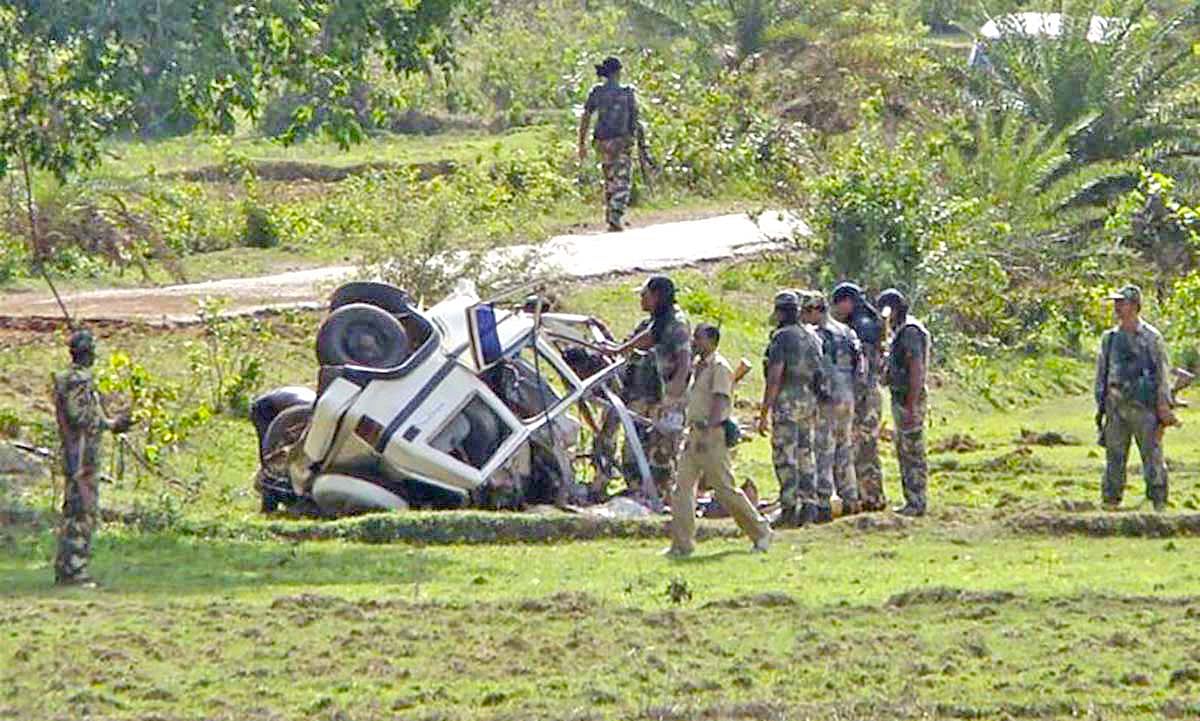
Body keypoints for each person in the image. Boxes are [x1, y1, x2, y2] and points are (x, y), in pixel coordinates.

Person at [667, 324, 772, 556]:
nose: (695, 342)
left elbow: (720, 402)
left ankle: (760, 530)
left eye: (699, 338)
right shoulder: (698, 367)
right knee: (681, 489)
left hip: (711, 436)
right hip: (693, 435)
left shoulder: (719, 367)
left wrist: (709, 430)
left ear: (712, 341)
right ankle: (681, 544)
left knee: (724, 489)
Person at [603, 275, 691, 505]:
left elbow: (684, 362)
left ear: (657, 296)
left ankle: (659, 498)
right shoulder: (657, 322)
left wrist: (673, 397)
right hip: (645, 400)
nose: (641, 300)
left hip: (664, 400)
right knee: (635, 448)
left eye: (645, 295)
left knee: (661, 452)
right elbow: (646, 338)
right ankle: (638, 492)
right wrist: (617, 349)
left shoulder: (677, 324)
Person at [51, 329, 129, 587]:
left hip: (77, 453)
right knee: (81, 511)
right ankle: (74, 569)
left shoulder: (72, 380)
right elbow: (81, 417)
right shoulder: (78, 382)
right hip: (82, 456)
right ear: (87, 353)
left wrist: (112, 423)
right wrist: (110, 423)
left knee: (76, 509)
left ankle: (68, 566)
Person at [1094, 284, 1174, 512]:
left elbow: (1162, 372)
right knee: (1115, 456)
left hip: (1144, 406)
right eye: (1116, 303)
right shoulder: (1109, 338)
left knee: (1152, 455)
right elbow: (1102, 372)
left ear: (1134, 306)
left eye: (1122, 302)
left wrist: (1163, 405)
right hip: (1116, 406)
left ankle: (1158, 500)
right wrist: (1101, 404)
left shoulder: (1151, 338)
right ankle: (1111, 500)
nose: (1117, 307)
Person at [756, 291, 824, 527]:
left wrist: (764, 412)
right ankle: (809, 506)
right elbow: (819, 374)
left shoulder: (782, 337)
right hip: (809, 401)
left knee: (786, 456)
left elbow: (774, 376)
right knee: (806, 455)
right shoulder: (813, 337)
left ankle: (789, 508)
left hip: (787, 401)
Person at [805, 291, 863, 521]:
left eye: (808, 311)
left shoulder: (817, 335)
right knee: (844, 449)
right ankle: (850, 497)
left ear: (817, 310)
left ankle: (824, 501)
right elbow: (861, 364)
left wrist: (818, 393)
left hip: (827, 398)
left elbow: (817, 368)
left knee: (824, 450)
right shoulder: (847, 331)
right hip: (847, 395)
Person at [831, 282, 887, 511]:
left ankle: (872, 498)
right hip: (869, 392)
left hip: (865, 395)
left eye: (838, 304)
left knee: (864, 447)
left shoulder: (861, 327)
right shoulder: (868, 322)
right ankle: (869, 496)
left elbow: (863, 367)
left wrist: (855, 396)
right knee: (863, 447)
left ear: (848, 301)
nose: (837, 310)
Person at [876, 289, 930, 517]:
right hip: (903, 396)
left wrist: (910, 403)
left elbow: (917, 368)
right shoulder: (903, 330)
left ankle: (916, 502)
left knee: (911, 451)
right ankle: (912, 500)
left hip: (909, 397)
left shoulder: (909, 332)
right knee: (905, 449)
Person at [578, 56, 642, 232]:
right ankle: (615, 216)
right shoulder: (627, 92)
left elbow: (586, 117)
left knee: (609, 178)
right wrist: (638, 142)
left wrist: (581, 143)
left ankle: (611, 215)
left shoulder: (597, 92)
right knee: (622, 180)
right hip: (621, 142)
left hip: (602, 141)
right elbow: (635, 120)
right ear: (618, 72)